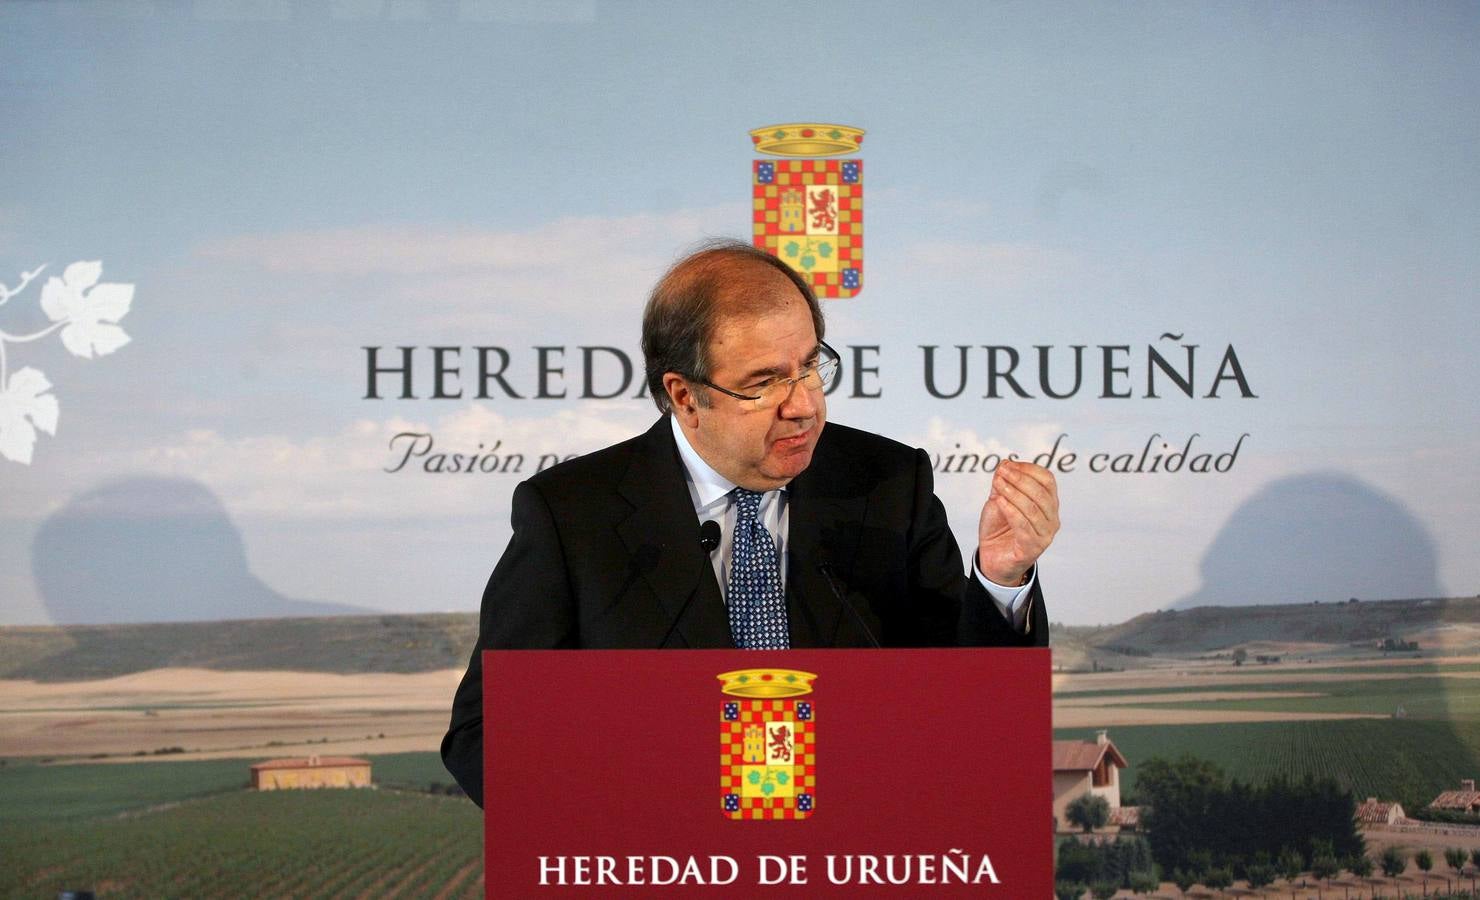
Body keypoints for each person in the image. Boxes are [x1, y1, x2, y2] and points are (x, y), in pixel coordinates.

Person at [442, 240, 1060, 805]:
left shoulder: (889, 484)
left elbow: (967, 702)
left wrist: (1002, 580)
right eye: (764, 383)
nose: (805, 405)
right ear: (685, 396)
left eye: (810, 367)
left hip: (856, 860)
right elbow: (484, 735)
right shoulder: (573, 516)